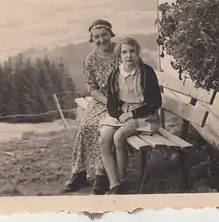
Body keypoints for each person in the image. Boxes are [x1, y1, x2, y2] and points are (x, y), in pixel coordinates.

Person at [99, 36, 162, 195]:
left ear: (138, 52)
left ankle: (122, 180)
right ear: (120, 55)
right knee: (104, 139)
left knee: (119, 136)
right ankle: (114, 184)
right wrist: (120, 115)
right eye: (124, 52)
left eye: (132, 51)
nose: (128, 56)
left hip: (143, 114)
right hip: (121, 113)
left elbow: (155, 102)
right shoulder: (115, 74)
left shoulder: (146, 73)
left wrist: (132, 113)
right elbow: (111, 103)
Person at [63, 19, 119, 195]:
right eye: (96, 37)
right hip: (101, 100)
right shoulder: (91, 59)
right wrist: (107, 101)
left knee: (103, 129)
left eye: (104, 35)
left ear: (111, 34)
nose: (101, 39)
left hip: (124, 101)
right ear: (92, 40)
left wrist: (117, 103)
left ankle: (102, 176)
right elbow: (93, 89)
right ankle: (79, 173)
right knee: (86, 126)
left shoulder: (121, 52)